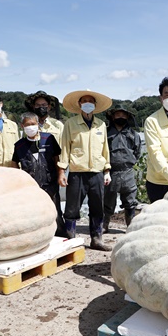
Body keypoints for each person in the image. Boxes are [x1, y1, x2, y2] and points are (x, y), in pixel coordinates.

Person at [57, 90, 113, 251]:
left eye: (91, 101)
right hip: (77, 172)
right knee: (72, 208)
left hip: (97, 172)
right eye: (84, 100)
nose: (87, 103)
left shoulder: (101, 124)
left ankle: (96, 239)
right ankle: (70, 240)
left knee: (97, 207)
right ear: (79, 104)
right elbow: (65, 148)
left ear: (95, 105)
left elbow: (105, 149)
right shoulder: (71, 124)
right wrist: (62, 171)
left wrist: (107, 170)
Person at [11, 112, 64, 236]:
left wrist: (60, 174)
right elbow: (14, 163)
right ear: (22, 126)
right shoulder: (19, 145)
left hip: (50, 182)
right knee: (34, 213)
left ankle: (61, 235)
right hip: (31, 186)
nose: (31, 127)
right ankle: (37, 237)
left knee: (55, 211)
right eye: (27, 125)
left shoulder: (49, 139)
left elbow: (57, 158)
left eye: (33, 124)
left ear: (38, 125)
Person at [24, 91, 67, 236]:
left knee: (54, 203)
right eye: (37, 105)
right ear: (33, 107)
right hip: (33, 169)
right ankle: (38, 235)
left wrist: (61, 170)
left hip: (53, 167)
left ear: (49, 107)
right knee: (34, 205)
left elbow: (63, 148)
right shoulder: (29, 124)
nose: (41, 107)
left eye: (43, 105)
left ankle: (60, 233)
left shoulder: (58, 125)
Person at [103, 103, 142, 232]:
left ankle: (130, 227)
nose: (120, 117)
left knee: (130, 201)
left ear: (127, 117)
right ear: (113, 117)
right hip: (110, 171)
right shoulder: (106, 133)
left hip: (128, 172)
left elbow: (137, 152)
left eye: (123, 115)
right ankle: (104, 226)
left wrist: (128, 162)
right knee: (107, 200)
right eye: (117, 114)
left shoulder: (133, 134)